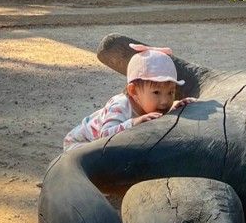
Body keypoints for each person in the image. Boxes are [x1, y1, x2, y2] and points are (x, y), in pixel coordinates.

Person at [63, 44, 197, 151]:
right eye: (156, 93)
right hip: (80, 145)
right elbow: (105, 135)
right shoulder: (120, 105)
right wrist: (133, 123)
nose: (165, 101)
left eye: (171, 92)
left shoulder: (153, 103)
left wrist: (177, 105)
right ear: (133, 90)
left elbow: (163, 112)